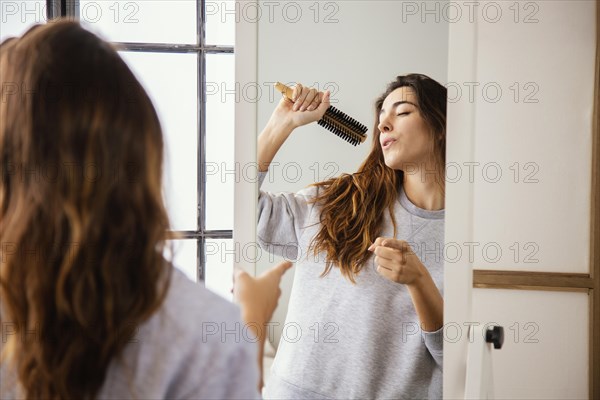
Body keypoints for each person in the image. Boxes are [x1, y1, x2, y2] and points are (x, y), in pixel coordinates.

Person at [0, 20, 289, 399]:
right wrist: (250, 319)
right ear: (143, 156)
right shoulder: (202, 332)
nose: (385, 123)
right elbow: (250, 201)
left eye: (398, 110)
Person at [256, 74, 446, 399]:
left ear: (440, 125)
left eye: (402, 112)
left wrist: (419, 281)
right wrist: (280, 124)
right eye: (382, 117)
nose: (384, 124)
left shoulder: (473, 231)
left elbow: (455, 358)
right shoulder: (338, 202)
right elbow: (244, 212)